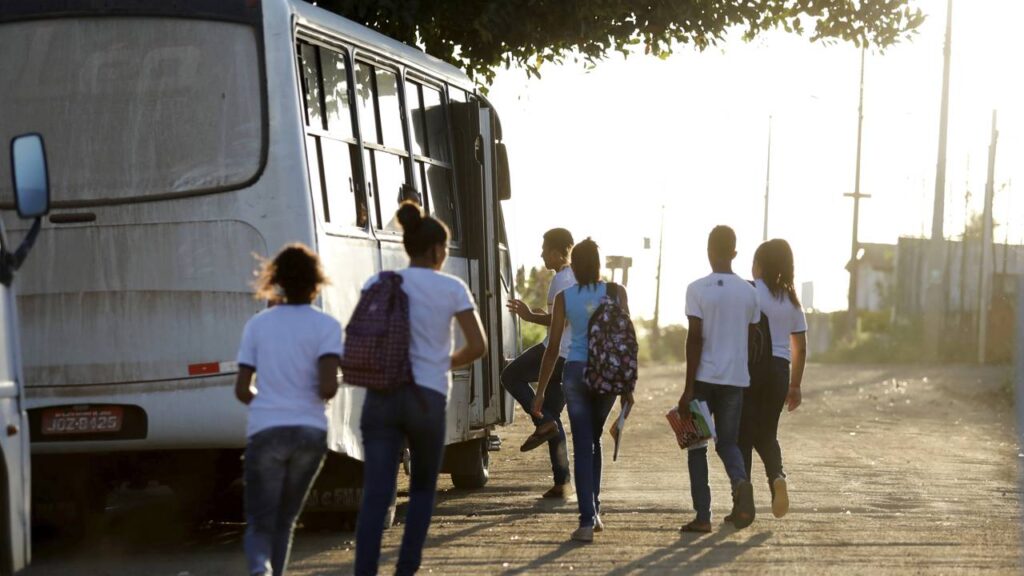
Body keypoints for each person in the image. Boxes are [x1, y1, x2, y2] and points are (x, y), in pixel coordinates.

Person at [355, 201, 487, 576]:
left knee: (377, 493)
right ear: (434, 250)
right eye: (445, 249)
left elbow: (363, 337)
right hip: (426, 399)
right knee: (423, 490)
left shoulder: (379, 283)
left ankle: (363, 571)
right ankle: (405, 569)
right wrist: (441, 362)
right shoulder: (451, 287)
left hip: (381, 397)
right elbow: (478, 346)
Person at [234, 243, 342, 576]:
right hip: (309, 432)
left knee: (260, 521)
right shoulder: (327, 326)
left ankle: (259, 570)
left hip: (266, 431)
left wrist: (268, 404)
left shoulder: (258, 325)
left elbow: (241, 389)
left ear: (277, 280)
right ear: (316, 283)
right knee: (286, 520)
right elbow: (327, 388)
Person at [533, 238, 633, 543]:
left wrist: (539, 393)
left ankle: (588, 520)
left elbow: (551, 350)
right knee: (595, 438)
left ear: (574, 266)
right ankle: (596, 507)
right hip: (608, 375)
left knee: (583, 443)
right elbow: (628, 337)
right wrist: (629, 384)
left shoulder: (565, 297)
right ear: (599, 265)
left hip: (576, 373)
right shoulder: (616, 293)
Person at [678, 225, 759, 533]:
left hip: (702, 380)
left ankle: (702, 516)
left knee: (696, 445)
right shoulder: (750, 294)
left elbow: (694, 339)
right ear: (735, 253)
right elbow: (750, 340)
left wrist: (687, 390)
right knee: (728, 443)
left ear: (709, 251)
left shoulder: (696, 289)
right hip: (735, 381)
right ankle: (740, 482)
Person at [502, 228, 575, 498]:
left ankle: (541, 420)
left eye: (544, 250)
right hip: (572, 357)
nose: (542, 254)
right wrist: (535, 313)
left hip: (556, 352)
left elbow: (560, 321)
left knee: (510, 376)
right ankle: (562, 482)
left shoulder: (561, 280)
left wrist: (529, 316)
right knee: (552, 419)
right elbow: (561, 316)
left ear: (557, 252)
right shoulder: (575, 277)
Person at [737, 238, 807, 519]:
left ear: (760, 265)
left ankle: (744, 499)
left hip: (752, 369)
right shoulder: (792, 301)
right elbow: (800, 347)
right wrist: (795, 386)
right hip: (780, 372)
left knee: (742, 434)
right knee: (767, 433)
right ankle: (777, 477)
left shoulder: (750, 291)